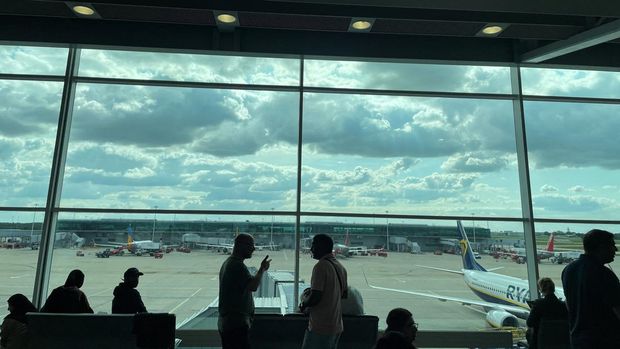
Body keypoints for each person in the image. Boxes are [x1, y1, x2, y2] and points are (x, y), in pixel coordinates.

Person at [561, 229, 620, 348]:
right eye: (612, 245)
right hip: (604, 341)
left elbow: (569, 304)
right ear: (601, 247)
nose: (616, 250)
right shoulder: (604, 274)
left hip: (578, 340)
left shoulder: (568, 270)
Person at [218, 233, 271, 349]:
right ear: (240, 246)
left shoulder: (228, 263)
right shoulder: (237, 266)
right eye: (251, 245)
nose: (253, 248)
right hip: (235, 324)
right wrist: (262, 269)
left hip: (229, 322)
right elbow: (253, 286)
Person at [299, 234, 348, 349]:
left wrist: (303, 303)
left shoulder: (321, 266)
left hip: (321, 327)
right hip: (336, 326)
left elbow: (315, 297)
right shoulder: (340, 266)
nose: (311, 249)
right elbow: (344, 294)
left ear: (322, 247)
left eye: (313, 245)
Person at [526, 277, 568, 349]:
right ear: (553, 288)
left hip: (541, 343)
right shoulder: (563, 305)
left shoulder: (538, 304)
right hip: (560, 343)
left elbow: (529, 323)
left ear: (541, 290)